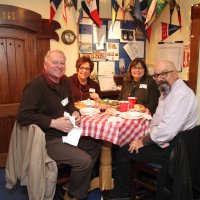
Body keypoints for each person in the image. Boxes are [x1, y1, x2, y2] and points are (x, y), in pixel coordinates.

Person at [102, 60, 198, 200]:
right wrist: (148, 136)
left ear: (176, 74)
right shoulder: (167, 91)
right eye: (157, 75)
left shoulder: (181, 94)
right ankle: (136, 186)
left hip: (174, 150)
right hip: (167, 142)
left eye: (164, 74)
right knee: (130, 144)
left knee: (123, 151)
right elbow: (157, 119)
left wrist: (145, 140)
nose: (159, 78)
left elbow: (167, 130)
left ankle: (121, 193)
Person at [16, 49, 101, 200]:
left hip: (66, 134)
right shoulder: (36, 85)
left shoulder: (64, 81)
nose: (59, 66)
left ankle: (73, 185)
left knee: (95, 146)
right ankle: (75, 195)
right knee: (84, 161)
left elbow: (69, 104)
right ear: (45, 64)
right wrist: (53, 123)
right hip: (47, 139)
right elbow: (23, 116)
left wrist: (75, 112)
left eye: (62, 63)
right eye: (55, 62)